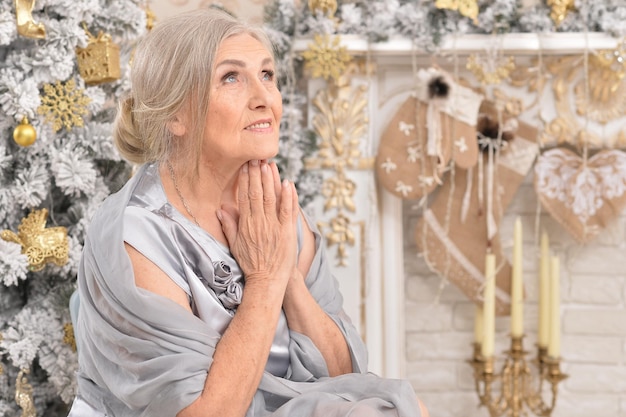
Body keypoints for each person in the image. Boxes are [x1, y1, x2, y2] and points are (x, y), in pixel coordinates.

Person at [68, 8, 429, 417]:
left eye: (267, 75)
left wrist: (285, 273)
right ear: (175, 114)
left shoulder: (274, 212)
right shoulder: (135, 237)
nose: (264, 99)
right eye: (231, 77)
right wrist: (264, 280)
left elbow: (344, 373)